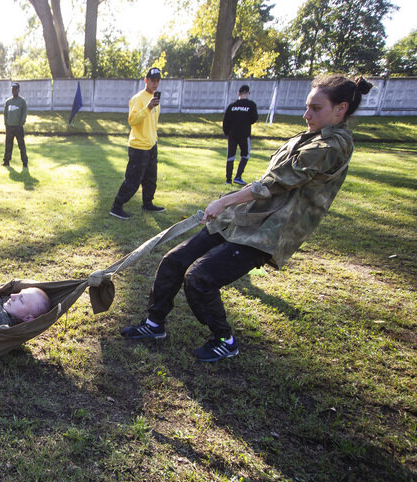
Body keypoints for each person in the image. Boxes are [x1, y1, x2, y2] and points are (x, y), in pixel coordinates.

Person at [120, 75, 372, 362]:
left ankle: (225, 340)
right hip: (242, 218)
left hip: (266, 231)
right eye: (307, 107)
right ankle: (154, 325)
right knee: (174, 261)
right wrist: (229, 208)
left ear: (341, 109)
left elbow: (273, 184)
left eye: (316, 108)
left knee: (200, 278)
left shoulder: (332, 146)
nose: (306, 114)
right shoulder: (311, 136)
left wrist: (225, 201)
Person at [109, 67, 165, 220]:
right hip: (138, 147)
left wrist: (155, 140)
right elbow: (132, 121)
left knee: (151, 179)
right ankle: (117, 206)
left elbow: (152, 123)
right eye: (152, 80)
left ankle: (148, 203)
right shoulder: (138, 99)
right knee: (133, 180)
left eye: (158, 80)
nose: (155, 83)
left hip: (151, 145)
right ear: (146, 80)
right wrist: (148, 107)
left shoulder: (155, 99)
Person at [222, 84, 258, 186]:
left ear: (238, 93)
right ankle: (238, 176)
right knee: (245, 154)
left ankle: (228, 180)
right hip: (244, 134)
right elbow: (254, 118)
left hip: (232, 135)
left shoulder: (232, 106)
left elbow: (226, 121)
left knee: (230, 156)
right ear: (247, 93)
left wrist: (227, 132)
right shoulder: (251, 105)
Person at [2, 82, 28, 168]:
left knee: (21, 145)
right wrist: (6, 123)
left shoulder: (22, 101)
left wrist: (21, 123)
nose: (14, 91)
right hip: (9, 127)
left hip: (18, 127)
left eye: (15, 89)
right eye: (12, 89)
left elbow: (24, 113)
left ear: (18, 90)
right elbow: (5, 113)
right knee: (8, 145)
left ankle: (24, 162)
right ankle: (6, 161)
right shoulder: (8, 102)